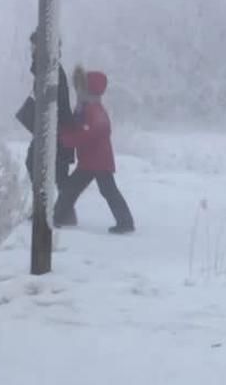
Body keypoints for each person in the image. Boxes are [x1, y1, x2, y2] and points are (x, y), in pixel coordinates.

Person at [55, 66, 136, 234]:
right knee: (75, 189)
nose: (77, 91)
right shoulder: (86, 107)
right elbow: (83, 129)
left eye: (80, 87)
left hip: (97, 161)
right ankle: (57, 216)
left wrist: (68, 140)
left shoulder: (93, 109)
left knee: (99, 190)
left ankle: (126, 222)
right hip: (91, 160)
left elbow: (93, 131)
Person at [15, 31, 75, 187]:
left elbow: (52, 103)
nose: (31, 50)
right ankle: (46, 209)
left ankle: (45, 209)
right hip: (54, 132)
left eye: (34, 46)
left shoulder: (51, 70)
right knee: (57, 181)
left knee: (56, 179)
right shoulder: (48, 69)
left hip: (56, 133)